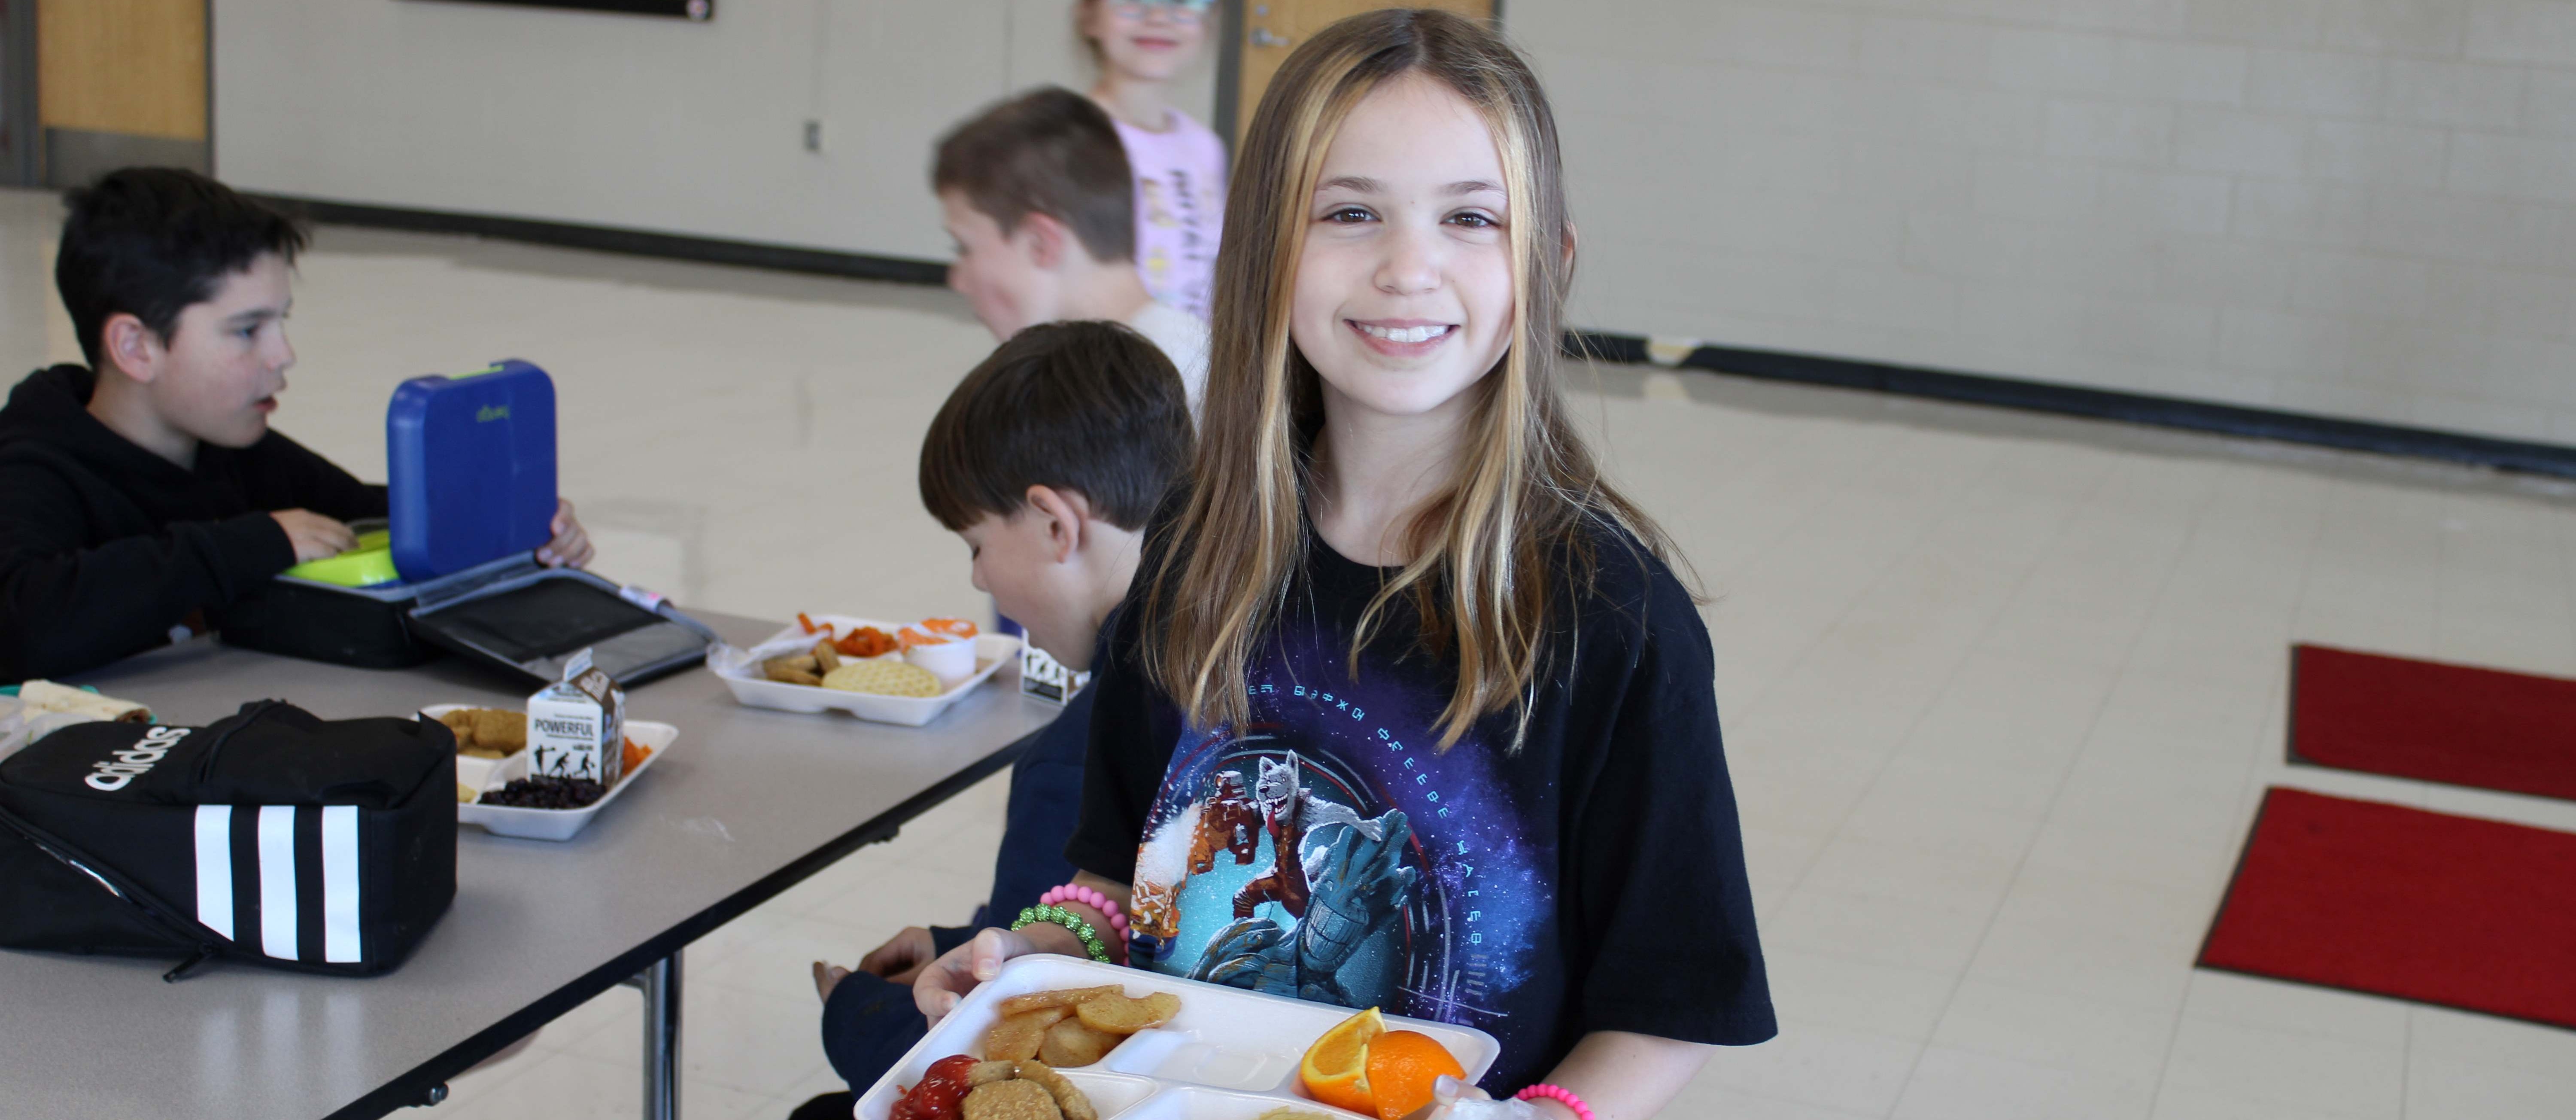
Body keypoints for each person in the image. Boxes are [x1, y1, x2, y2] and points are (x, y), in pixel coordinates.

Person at [909, 12, 1776, 1119]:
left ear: (1547, 262)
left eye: (1471, 217)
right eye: (1350, 212)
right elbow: (1115, 878)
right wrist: (1026, 956)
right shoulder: (1194, 548)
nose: (1408, 267)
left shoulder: (1613, 620)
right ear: (1265, 247)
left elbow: (1669, 1003)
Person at [790, 322, 1191, 1120]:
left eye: (976, 544)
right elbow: (1127, 931)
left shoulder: (1072, 757)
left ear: (1054, 524)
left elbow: (1008, 1040)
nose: (978, 576)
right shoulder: (1224, 662)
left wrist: (854, 1006)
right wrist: (962, 938)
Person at [0, 168, 592, 682]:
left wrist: (516, 525)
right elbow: (25, 622)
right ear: (136, 346)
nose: (284, 355)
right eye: (246, 330)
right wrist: (247, 546)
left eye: (281, 323)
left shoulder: (236, 449)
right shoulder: (33, 469)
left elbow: (363, 517)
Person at [934, 86, 1210, 418]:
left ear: (1042, 243)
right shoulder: (1175, 351)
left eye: (964, 248)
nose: (958, 281)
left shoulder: (1132, 394)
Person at [1076, 0, 1227, 321]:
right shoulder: (1074, 142)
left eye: (1183, 3)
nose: (1158, 18)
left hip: (1195, 358)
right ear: (1090, 15)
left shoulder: (1205, 147)